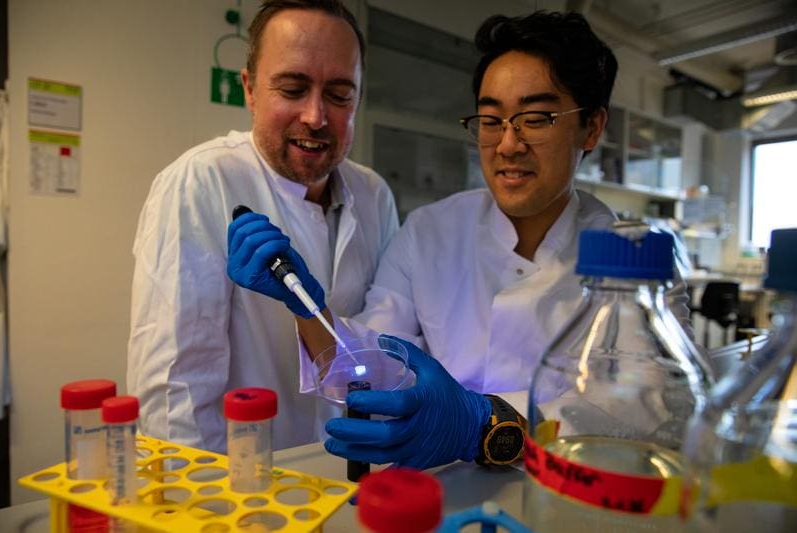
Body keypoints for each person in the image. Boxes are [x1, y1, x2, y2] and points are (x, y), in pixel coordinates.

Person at [228, 11, 690, 469]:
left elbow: (649, 409)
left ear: (591, 127)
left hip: (567, 500)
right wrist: (309, 309)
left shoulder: (635, 261)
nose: (508, 144)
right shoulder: (429, 232)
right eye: (491, 120)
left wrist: (484, 426)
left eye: (535, 118)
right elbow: (372, 363)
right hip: (441, 496)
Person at [127, 0, 398, 453]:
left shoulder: (373, 195)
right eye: (292, 89)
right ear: (250, 90)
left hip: (355, 471)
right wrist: (197, 507)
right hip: (242, 489)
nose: (315, 116)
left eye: (338, 94)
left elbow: (383, 351)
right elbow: (176, 391)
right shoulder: (203, 180)